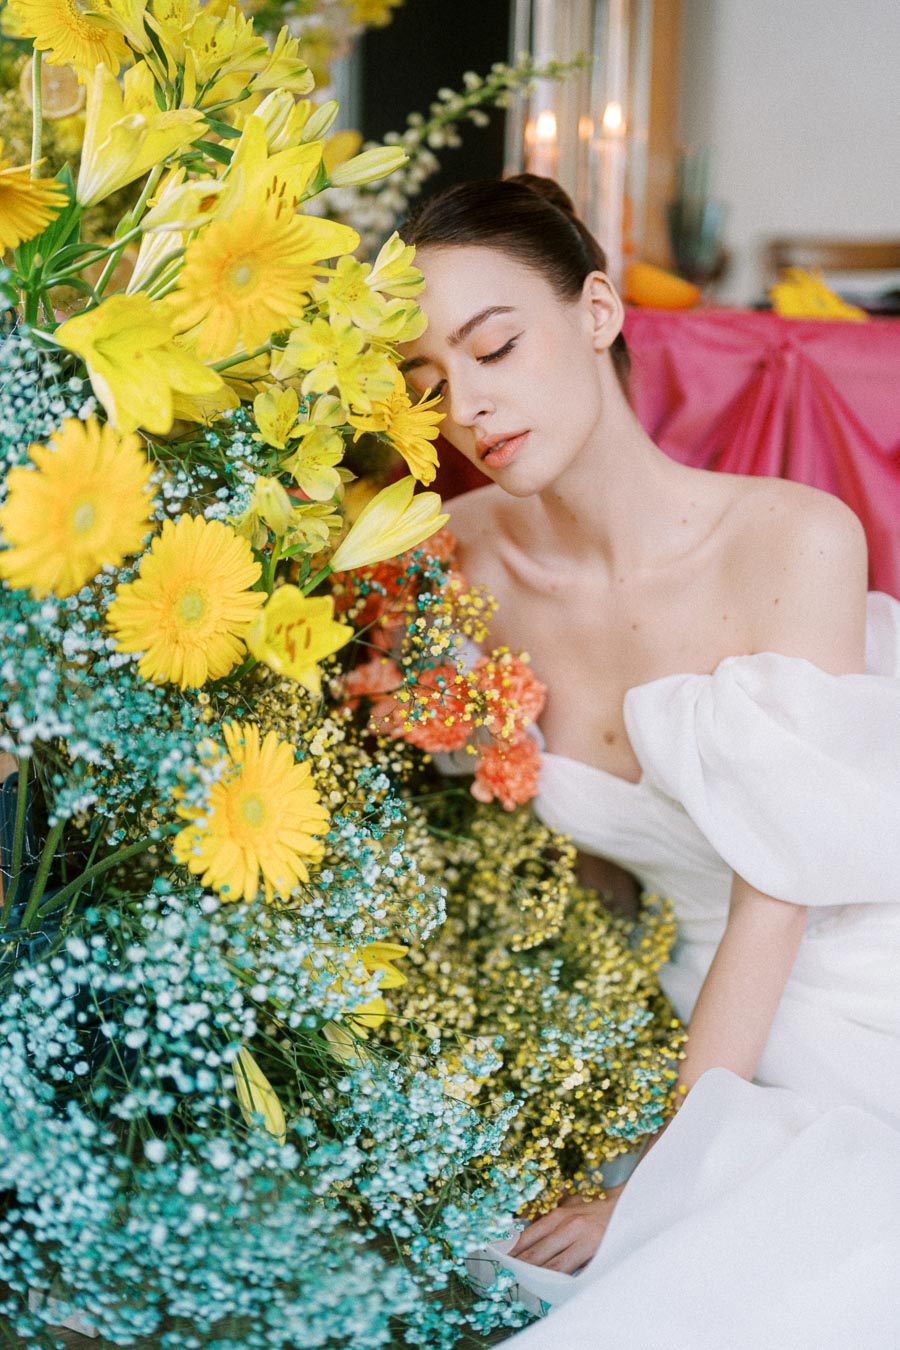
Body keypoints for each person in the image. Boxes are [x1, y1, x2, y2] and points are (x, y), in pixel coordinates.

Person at [397, 176, 900, 1348]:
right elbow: (567, 880)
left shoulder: (792, 536)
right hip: (672, 1009)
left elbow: (776, 898)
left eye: (495, 346)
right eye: (427, 383)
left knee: (747, 1260)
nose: (468, 405)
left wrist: (654, 1187)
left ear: (599, 312)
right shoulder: (449, 570)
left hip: (850, 972)